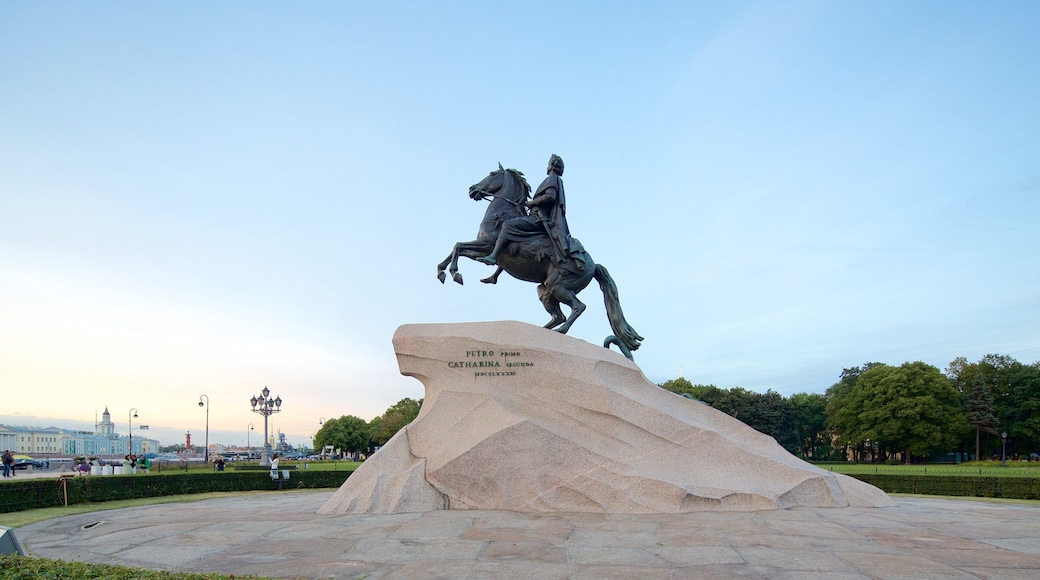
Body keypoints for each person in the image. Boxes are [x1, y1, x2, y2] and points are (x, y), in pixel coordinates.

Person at [479, 154, 572, 266]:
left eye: (548, 164)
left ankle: (493, 256)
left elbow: (550, 196)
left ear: (552, 165)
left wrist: (532, 203)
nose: (547, 166)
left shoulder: (552, 179)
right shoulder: (555, 179)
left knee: (508, 225)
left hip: (539, 218)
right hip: (538, 216)